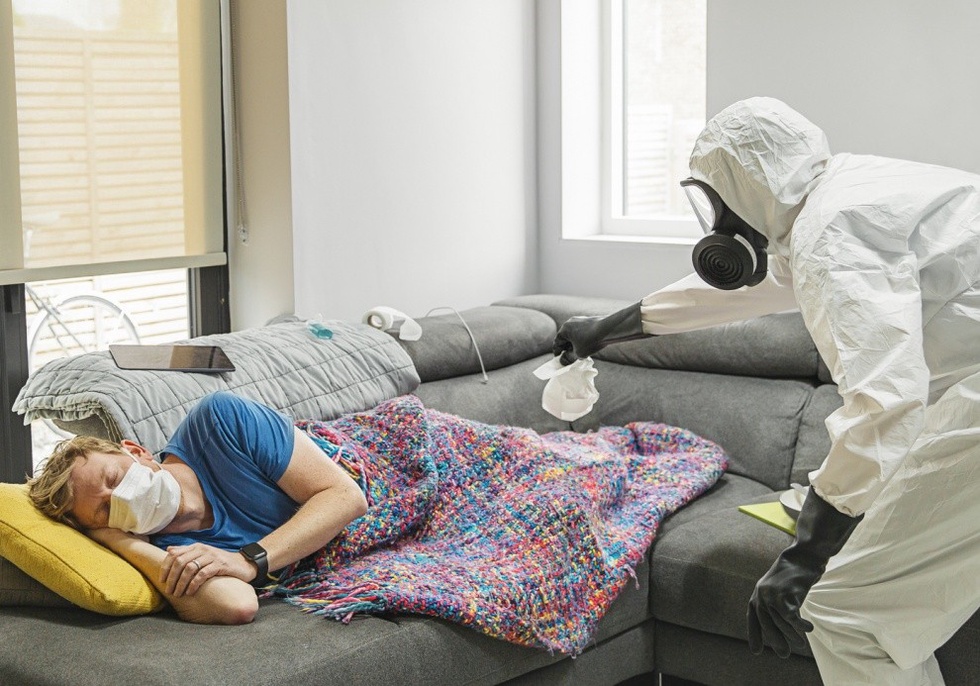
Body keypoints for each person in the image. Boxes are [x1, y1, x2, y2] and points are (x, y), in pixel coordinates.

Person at [553, 96, 980, 685]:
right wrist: (605, 329)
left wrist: (804, 556)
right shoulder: (845, 192)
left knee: (847, 619)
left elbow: (885, 406)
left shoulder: (830, 234)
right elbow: (748, 287)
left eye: (718, 202)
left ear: (747, 187)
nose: (720, 225)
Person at [27, 391, 368, 625]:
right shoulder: (168, 552)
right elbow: (238, 605)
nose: (121, 498)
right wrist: (124, 544)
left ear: (137, 451)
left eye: (114, 478)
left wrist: (247, 560)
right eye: (104, 510)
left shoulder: (219, 420)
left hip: (361, 462)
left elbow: (345, 495)